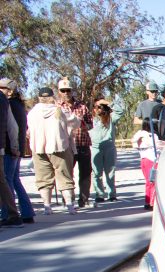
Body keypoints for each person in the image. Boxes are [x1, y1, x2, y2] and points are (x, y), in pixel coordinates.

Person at [27, 86, 78, 214]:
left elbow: (28, 131)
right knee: (65, 176)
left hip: (38, 148)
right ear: (52, 97)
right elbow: (75, 122)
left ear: (39, 98)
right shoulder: (59, 110)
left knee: (43, 178)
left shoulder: (32, 113)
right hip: (59, 147)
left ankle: (47, 207)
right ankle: (70, 206)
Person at [0, 78, 35, 224]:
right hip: (14, 148)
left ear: (10, 90)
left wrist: (13, 147)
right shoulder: (17, 104)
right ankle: (26, 212)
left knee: (6, 182)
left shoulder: (9, 104)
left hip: (10, 149)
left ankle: (9, 214)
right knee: (13, 180)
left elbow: (12, 128)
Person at [57, 77, 92, 207]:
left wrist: (84, 126)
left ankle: (84, 198)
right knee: (66, 173)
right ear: (59, 91)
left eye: (68, 90)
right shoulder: (57, 107)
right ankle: (68, 198)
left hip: (82, 143)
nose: (66, 93)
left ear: (72, 91)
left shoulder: (82, 106)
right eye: (63, 90)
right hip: (66, 145)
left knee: (85, 172)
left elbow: (90, 124)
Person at [90, 98, 123, 204]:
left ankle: (112, 194)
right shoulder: (91, 119)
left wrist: (108, 102)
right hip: (96, 148)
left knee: (110, 172)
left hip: (109, 148)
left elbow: (120, 111)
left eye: (101, 107)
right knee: (96, 173)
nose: (98, 109)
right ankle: (99, 194)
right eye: (96, 107)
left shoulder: (110, 118)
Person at [0, 88, 23, 226]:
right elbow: (12, 126)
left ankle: (13, 215)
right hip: (2, 147)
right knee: (2, 182)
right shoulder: (4, 100)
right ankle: (13, 215)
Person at [132, 118, 161, 210]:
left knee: (148, 182)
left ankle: (147, 202)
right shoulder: (151, 135)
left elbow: (134, 143)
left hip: (144, 159)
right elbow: (156, 145)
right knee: (152, 181)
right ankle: (152, 202)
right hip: (151, 159)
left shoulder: (139, 133)